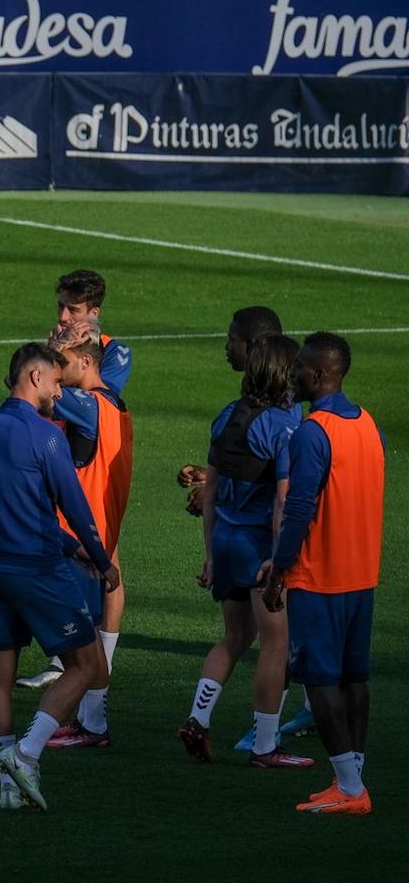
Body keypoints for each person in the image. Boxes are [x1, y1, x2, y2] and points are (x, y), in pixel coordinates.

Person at [0, 343, 118, 811]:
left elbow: (15, 507)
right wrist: (99, 557)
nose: (59, 391)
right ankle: (28, 754)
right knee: (88, 666)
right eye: (56, 382)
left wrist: (69, 545)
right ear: (34, 378)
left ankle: (8, 788)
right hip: (38, 570)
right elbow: (75, 506)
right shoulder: (45, 435)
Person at [172, 308, 319, 750]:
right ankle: (265, 746)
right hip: (259, 548)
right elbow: (281, 501)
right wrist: (279, 560)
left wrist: (211, 556)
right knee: (277, 645)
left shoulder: (225, 417)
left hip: (226, 543)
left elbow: (212, 491)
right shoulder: (286, 429)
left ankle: (198, 719)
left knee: (234, 637)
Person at [263, 332, 387, 816]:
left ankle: (352, 791)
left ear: (318, 375)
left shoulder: (315, 432)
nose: (292, 376)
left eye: (299, 369)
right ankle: (352, 777)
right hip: (362, 575)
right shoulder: (369, 425)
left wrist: (280, 568)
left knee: (321, 680)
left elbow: (299, 508)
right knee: (354, 678)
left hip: (321, 576)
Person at [43, 339, 134, 750]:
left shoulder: (88, 406)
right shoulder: (112, 405)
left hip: (77, 542)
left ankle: (87, 726)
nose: (56, 372)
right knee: (87, 634)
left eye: (61, 363)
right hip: (91, 537)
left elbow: (36, 389)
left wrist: (37, 372)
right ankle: (90, 722)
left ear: (85, 361)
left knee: (84, 638)